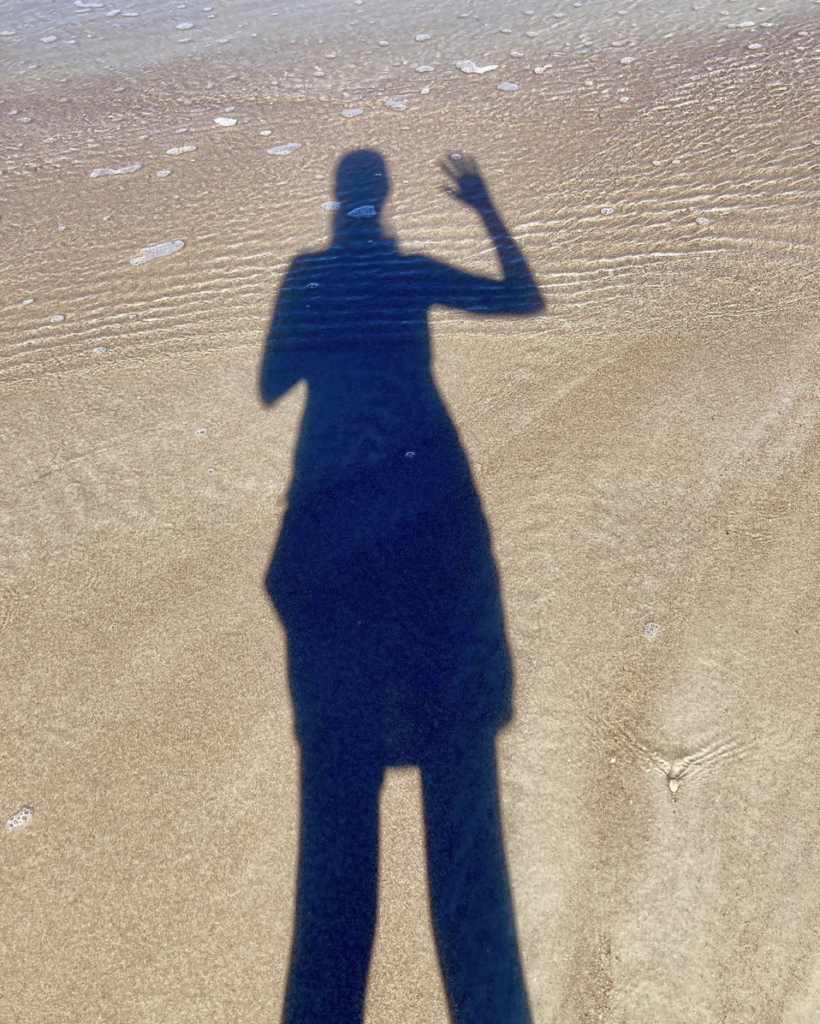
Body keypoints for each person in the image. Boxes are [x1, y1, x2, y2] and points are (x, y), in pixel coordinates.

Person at [259, 149, 544, 1024]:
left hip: (336, 505)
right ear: (382, 201)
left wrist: (330, 326)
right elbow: (520, 295)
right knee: (465, 827)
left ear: (333, 199)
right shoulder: (411, 269)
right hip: (428, 499)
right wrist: (488, 209)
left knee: (336, 830)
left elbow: (275, 385)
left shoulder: (308, 276)